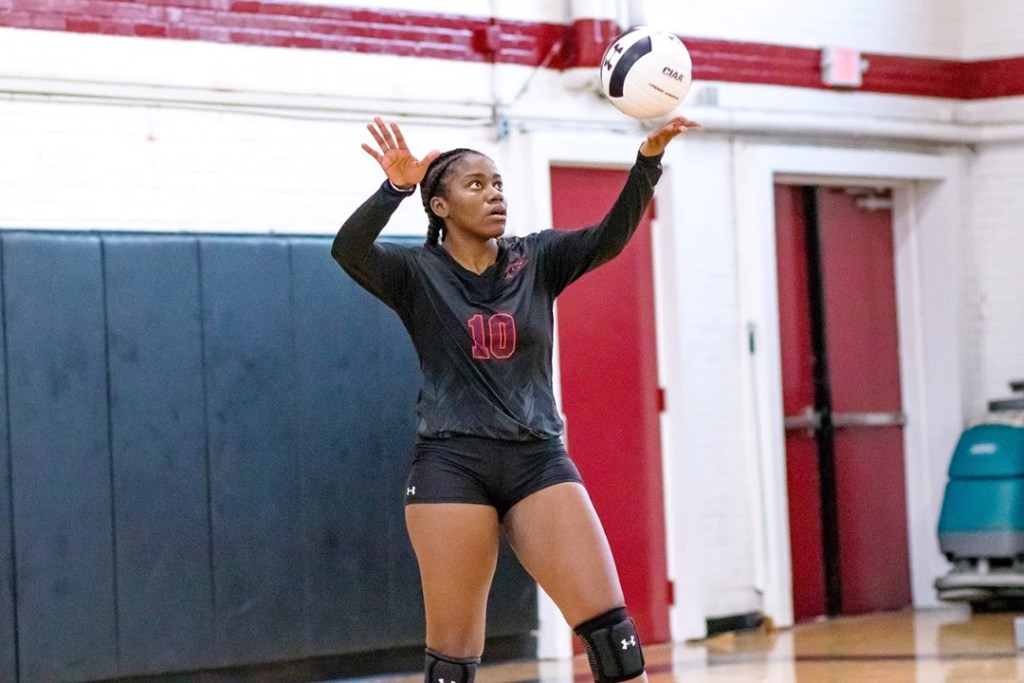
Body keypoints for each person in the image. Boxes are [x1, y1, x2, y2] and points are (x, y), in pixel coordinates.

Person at [332, 113, 699, 683]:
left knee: (614, 639)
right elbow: (348, 251)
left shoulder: (539, 258)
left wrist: (647, 163)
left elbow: (608, 237)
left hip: (537, 461)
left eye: (498, 183)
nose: (494, 194)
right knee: (452, 664)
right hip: (452, 465)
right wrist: (395, 187)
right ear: (441, 207)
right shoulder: (415, 272)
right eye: (475, 185)